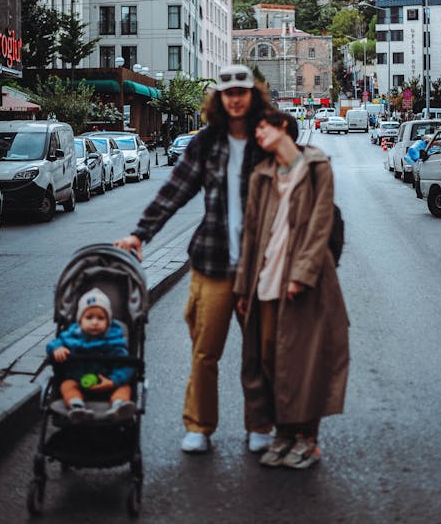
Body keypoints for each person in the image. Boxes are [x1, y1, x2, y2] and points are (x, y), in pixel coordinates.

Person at [114, 64, 274, 454]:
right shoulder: (206, 143)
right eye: (228, 92)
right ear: (219, 98)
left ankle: (259, 426)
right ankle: (199, 426)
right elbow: (175, 190)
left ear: (252, 96)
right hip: (213, 263)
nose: (235, 99)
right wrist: (140, 233)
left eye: (242, 91)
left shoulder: (267, 140)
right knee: (205, 350)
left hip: (259, 268)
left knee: (260, 351)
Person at [234, 109, 349, 469]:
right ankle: (284, 433)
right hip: (265, 281)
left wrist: (301, 274)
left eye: (262, 128)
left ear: (283, 126)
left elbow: (320, 224)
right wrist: (242, 287)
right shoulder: (261, 176)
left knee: (306, 362)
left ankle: (307, 438)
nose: (258, 136)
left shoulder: (317, 167)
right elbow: (251, 235)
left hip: (307, 283)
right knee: (270, 361)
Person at [46, 288, 136, 422]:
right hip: (78, 381)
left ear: (108, 323)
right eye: (89, 317)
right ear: (80, 321)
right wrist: (57, 348)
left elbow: (125, 365)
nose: (95, 322)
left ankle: (118, 406)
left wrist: (113, 381)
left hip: (108, 383)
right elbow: (53, 343)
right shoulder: (71, 336)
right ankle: (76, 406)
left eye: (101, 318)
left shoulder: (114, 341)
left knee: (124, 387)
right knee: (67, 385)